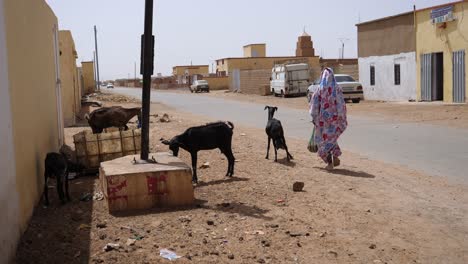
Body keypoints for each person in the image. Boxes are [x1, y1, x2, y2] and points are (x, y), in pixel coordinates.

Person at [309, 68, 347, 169]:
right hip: (335, 121)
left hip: (322, 122)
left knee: (323, 141)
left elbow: (314, 105)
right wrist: (341, 117)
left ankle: (330, 163)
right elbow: (341, 104)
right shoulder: (337, 89)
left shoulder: (319, 89)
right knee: (332, 139)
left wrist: (314, 117)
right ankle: (335, 156)